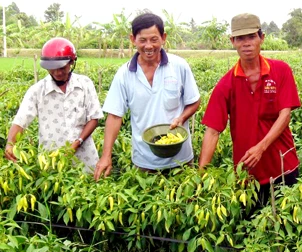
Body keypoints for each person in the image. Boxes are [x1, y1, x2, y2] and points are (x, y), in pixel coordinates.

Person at [199, 13, 301, 207]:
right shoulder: (225, 85)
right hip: (248, 174)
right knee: (251, 228)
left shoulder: (280, 70)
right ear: (233, 42)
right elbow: (212, 131)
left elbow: (285, 114)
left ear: (261, 38)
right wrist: (200, 176)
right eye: (240, 38)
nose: (246, 43)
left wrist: (261, 147)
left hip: (283, 166)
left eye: (251, 37)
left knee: (289, 228)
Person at [94, 13, 200, 180]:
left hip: (181, 160)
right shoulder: (124, 74)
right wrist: (106, 155)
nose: (148, 46)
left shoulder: (179, 66)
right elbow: (114, 116)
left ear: (163, 38)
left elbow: (194, 102)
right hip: (145, 162)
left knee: (185, 203)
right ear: (133, 39)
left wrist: (181, 118)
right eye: (142, 40)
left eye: (154, 39)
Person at [4, 37, 103, 172]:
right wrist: (10, 144)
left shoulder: (85, 84)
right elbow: (21, 120)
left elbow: (94, 117)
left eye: (61, 67)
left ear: (72, 62)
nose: (57, 73)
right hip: (51, 160)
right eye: (52, 69)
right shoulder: (37, 91)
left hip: (85, 158)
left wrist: (78, 142)